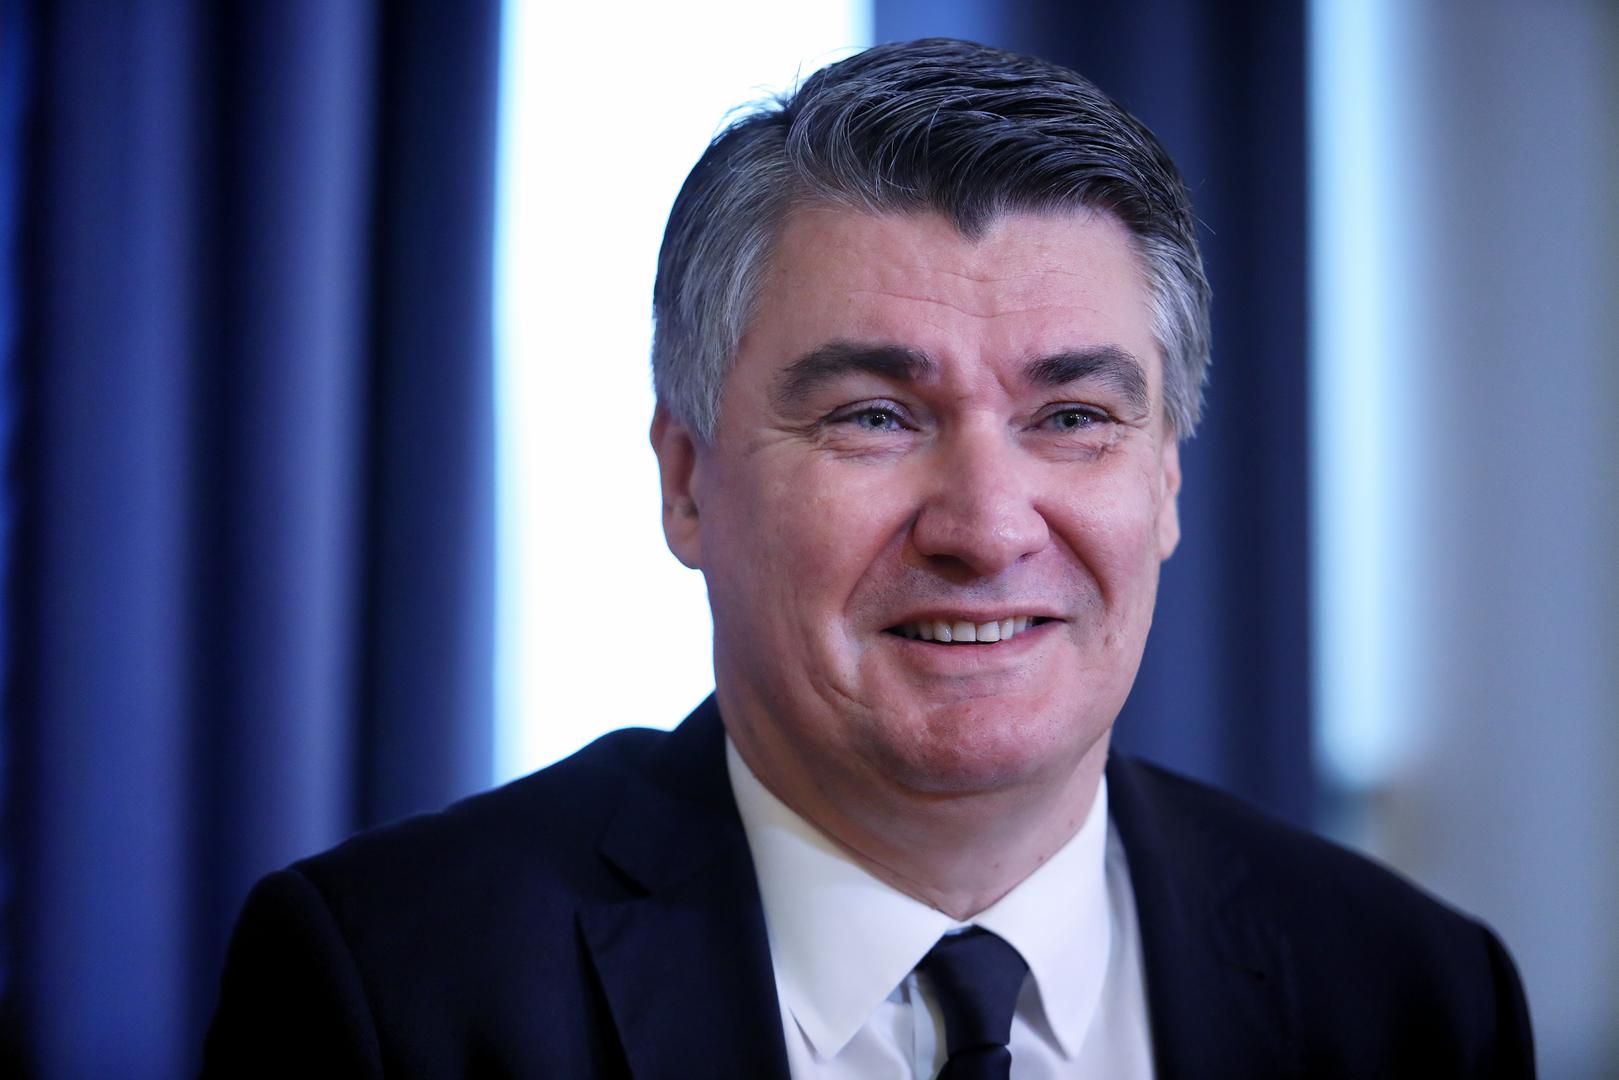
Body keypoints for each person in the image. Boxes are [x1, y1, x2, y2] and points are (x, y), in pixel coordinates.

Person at [203, 38, 1534, 1078]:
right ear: (685, 481)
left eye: (1074, 417)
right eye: (875, 418)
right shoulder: (391, 995)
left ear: (1168, 481)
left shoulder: (1416, 997)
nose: (988, 528)